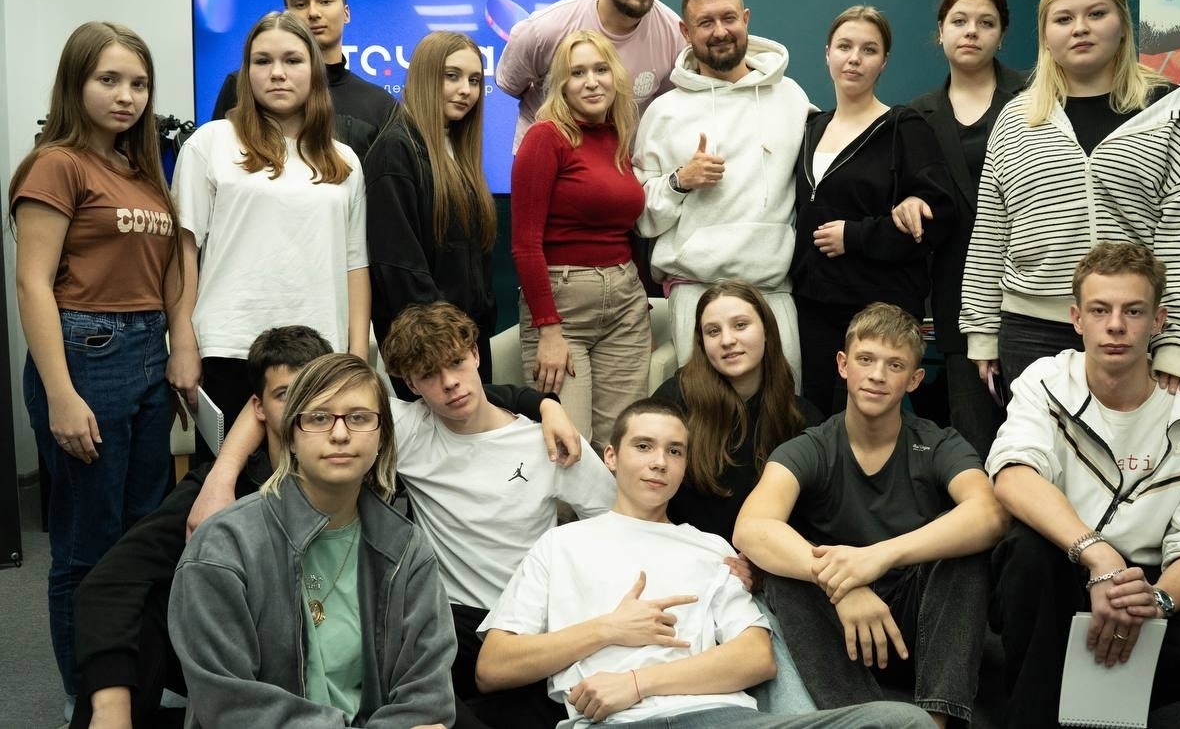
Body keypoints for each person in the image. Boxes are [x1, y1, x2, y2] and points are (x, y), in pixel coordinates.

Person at [474, 398, 936, 729]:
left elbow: (756, 657)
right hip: (620, 723)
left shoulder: (711, 548)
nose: (660, 462)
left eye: (674, 451)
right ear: (610, 457)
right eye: (643, 446)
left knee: (905, 722)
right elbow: (492, 667)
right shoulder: (560, 545)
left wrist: (637, 682)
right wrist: (608, 629)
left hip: (726, 718)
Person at [10, 21, 195, 711]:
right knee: (87, 548)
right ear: (75, 83)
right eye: (108, 80)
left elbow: (168, 271)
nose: (126, 96)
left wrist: (177, 343)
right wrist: (60, 394)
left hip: (146, 350)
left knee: (140, 539)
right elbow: (32, 283)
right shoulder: (56, 164)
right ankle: (86, 698)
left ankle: (133, 686)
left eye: (139, 84)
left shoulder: (140, 171)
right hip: (86, 352)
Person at [987, 242, 1180, 729]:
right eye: (1100, 310)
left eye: (1134, 311)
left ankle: (1083, 701)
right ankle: (1040, 713)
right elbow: (1014, 474)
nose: (1116, 326)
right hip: (1064, 564)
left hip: (1147, 577)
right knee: (1025, 553)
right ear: (1077, 318)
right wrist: (1098, 556)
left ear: (1158, 320)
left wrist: (1154, 601)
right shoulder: (1045, 381)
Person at [959, 0, 1180, 394]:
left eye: (1096, 14)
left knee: (1140, 441)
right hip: (1031, 330)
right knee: (1040, 441)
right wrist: (982, 329)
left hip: (1138, 327)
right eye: (1064, 18)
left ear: (1122, 24)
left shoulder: (1172, 113)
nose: (1080, 28)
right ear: (1046, 36)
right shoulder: (1017, 118)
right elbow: (992, 230)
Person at [735, 304, 1006, 727]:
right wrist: (844, 585)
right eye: (866, 359)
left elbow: (990, 512)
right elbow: (751, 527)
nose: (877, 375)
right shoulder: (813, 446)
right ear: (843, 365)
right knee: (784, 574)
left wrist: (878, 557)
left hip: (923, 627)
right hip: (841, 634)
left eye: (894, 365)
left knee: (965, 554)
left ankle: (937, 719)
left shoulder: (937, 443)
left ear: (914, 379)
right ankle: (864, 719)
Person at [170, 354, 454, 728]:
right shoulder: (224, 546)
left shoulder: (406, 549)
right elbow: (229, 705)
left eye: (359, 418)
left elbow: (428, 698)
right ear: (290, 435)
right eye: (319, 418)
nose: (340, 434)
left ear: (382, 437)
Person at [71, 325, 332, 729]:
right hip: (235, 658)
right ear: (258, 408)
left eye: (311, 393)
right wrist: (111, 710)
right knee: (145, 604)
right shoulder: (218, 489)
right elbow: (109, 583)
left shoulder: (352, 469)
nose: (300, 407)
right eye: (284, 395)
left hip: (324, 655)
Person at [380, 300, 615, 728]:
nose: (449, 383)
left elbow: (612, 519)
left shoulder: (546, 439)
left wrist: (546, 406)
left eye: (455, 362)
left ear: (475, 354)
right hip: (456, 621)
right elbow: (319, 391)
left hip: (531, 622)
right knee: (405, 660)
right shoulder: (409, 431)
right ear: (410, 384)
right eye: (429, 374)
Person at [172, 10, 371, 462]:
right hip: (228, 346)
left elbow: (355, 264)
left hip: (320, 353)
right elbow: (183, 253)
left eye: (292, 60)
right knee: (227, 486)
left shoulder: (344, 160)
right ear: (246, 72)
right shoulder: (210, 143)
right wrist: (182, 343)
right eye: (262, 61)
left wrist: (357, 356)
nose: (277, 73)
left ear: (314, 70)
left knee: (313, 484)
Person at [634, 0, 810, 380]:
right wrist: (680, 180)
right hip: (696, 291)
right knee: (704, 412)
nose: (720, 31)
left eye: (728, 18)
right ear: (685, 31)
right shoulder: (663, 112)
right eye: (705, 22)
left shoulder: (791, 98)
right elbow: (642, 219)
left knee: (783, 409)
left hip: (771, 289)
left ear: (746, 19)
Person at [792, 7, 954, 414]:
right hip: (813, 307)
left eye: (869, 50)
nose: (854, 58)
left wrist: (856, 236)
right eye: (844, 47)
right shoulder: (810, 128)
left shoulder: (903, 127)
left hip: (878, 310)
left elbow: (937, 217)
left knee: (869, 420)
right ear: (827, 53)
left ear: (883, 61)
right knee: (818, 420)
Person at [511, 29, 651, 448]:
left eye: (600, 69)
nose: (591, 82)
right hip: (562, 307)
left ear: (616, 77)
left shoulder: (618, 137)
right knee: (569, 448)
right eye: (577, 73)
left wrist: (633, 293)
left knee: (622, 445)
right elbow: (524, 245)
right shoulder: (545, 137)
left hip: (625, 304)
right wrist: (548, 331)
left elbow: (621, 228)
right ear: (562, 84)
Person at [905, 0, 1026, 457]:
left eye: (985, 23)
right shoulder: (917, 116)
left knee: (1043, 438)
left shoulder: (1037, 97)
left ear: (1002, 34)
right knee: (974, 444)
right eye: (959, 21)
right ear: (940, 31)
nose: (971, 31)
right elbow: (913, 197)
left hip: (1034, 293)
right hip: (958, 297)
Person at [364, 31, 497, 396]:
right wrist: (446, 342)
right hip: (427, 351)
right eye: (452, 76)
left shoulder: (459, 150)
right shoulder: (395, 150)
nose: (466, 90)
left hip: (466, 345)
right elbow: (399, 266)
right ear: (425, 76)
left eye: (474, 80)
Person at [497, 0, 683, 151]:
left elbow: (668, 105)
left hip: (620, 164)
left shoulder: (674, 35)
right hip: (547, 161)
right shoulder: (545, 29)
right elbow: (512, 85)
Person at [652, 281, 823, 543]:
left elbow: (812, 518)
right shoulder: (673, 401)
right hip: (683, 552)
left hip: (765, 559)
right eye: (713, 331)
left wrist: (763, 559)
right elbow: (644, 495)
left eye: (740, 325)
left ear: (767, 331)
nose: (727, 340)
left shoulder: (802, 418)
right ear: (702, 343)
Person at [212, 0, 396, 159]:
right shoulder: (243, 85)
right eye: (300, 4)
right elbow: (216, 161)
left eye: (325, 1)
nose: (313, 13)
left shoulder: (379, 104)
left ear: (346, 13)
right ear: (287, 15)